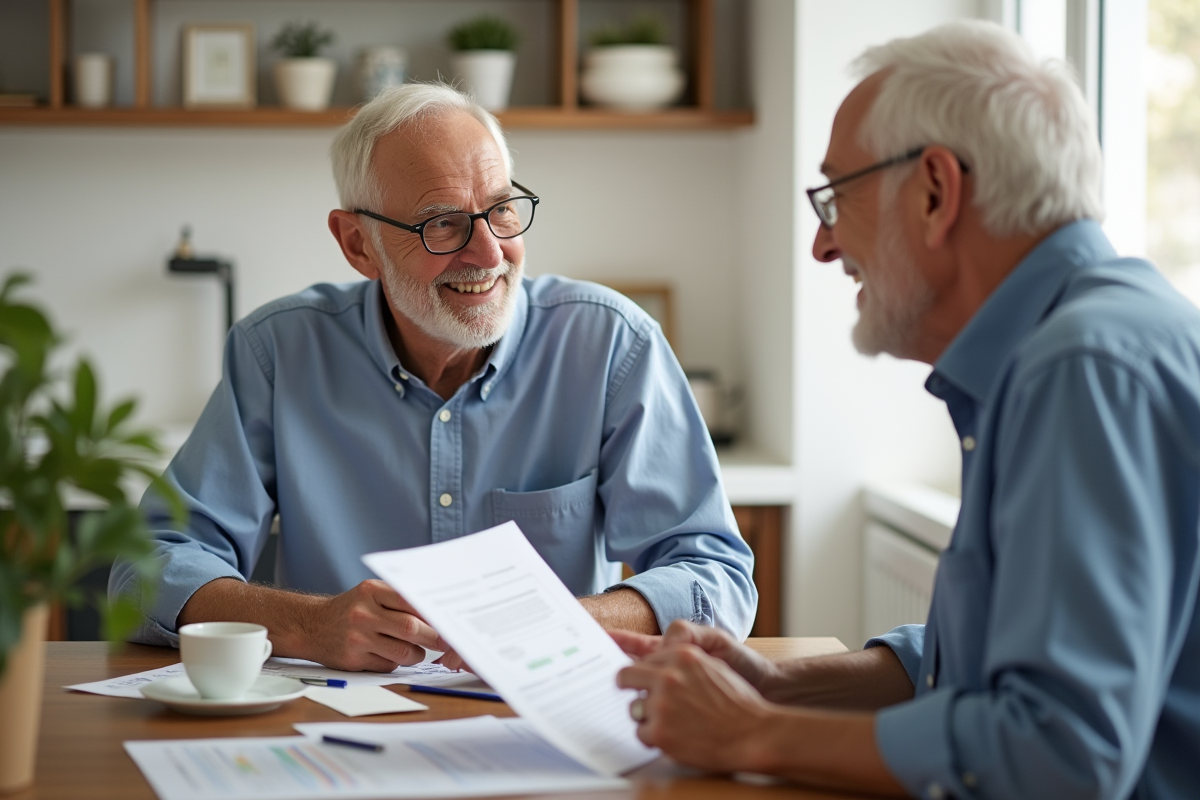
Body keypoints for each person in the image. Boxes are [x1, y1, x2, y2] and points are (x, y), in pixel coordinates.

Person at [615, 20, 1200, 800]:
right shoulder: (1087, 339)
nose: (823, 247)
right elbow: (988, 657)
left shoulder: (1080, 370)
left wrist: (751, 731)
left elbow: (1062, 754)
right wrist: (778, 685)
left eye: (836, 197)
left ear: (934, 191)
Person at [110, 83, 756, 673]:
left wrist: (557, 623)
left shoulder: (611, 343)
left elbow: (715, 578)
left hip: (544, 726)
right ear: (358, 244)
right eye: (441, 223)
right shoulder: (277, 352)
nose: (488, 253)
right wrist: (309, 624)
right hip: (336, 727)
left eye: (502, 210)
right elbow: (146, 574)